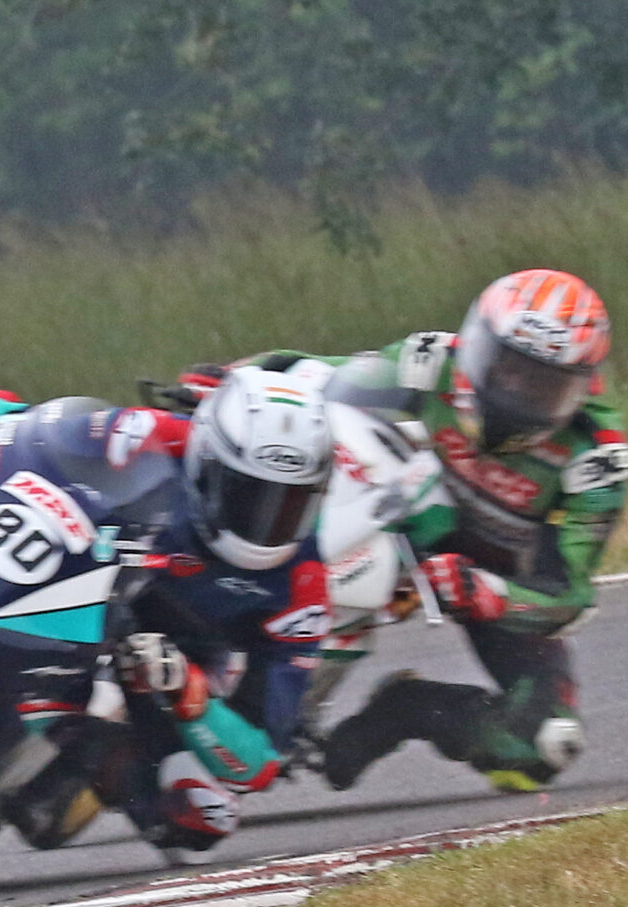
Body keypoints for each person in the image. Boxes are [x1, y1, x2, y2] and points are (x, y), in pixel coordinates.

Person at [0, 368, 336, 857]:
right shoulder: (152, 435)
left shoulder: (303, 585)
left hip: (160, 663)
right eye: (249, 494)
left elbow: (261, 758)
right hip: (72, 576)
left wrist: (191, 695)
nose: (268, 520)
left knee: (202, 813)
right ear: (209, 461)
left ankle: (56, 774)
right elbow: (26, 422)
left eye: (291, 503)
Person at [258, 270, 622, 793]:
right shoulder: (428, 362)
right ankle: (273, 681)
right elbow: (319, 377)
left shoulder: (597, 458)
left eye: (542, 383)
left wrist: (483, 592)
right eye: (506, 367)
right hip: (398, 528)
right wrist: (236, 381)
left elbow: (569, 595)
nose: (516, 392)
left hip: (497, 581)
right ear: (477, 344)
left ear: (582, 387)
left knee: (542, 747)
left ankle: (407, 709)